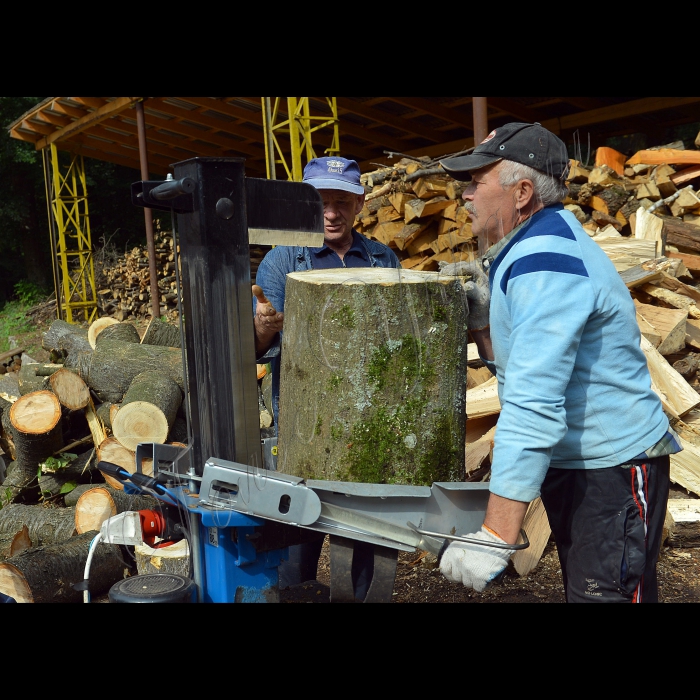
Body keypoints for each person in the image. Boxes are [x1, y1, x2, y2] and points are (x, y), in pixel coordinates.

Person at [437, 122, 680, 603]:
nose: (464, 195)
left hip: (613, 469)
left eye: (475, 181)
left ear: (521, 192)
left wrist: (498, 533)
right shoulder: (530, 248)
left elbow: (534, 402)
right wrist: (485, 328)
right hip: (587, 466)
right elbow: (527, 369)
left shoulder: (546, 261)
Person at [253, 155, 400, 598]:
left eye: (341, 201)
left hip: (369, 426)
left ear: (359, 204)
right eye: (321, 201)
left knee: (363, 545)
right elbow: (256, 349)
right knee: (295, 547)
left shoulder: (382, 258)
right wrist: (264, 324)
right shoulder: (281, 262)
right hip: (303, 428)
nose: (331, 212)